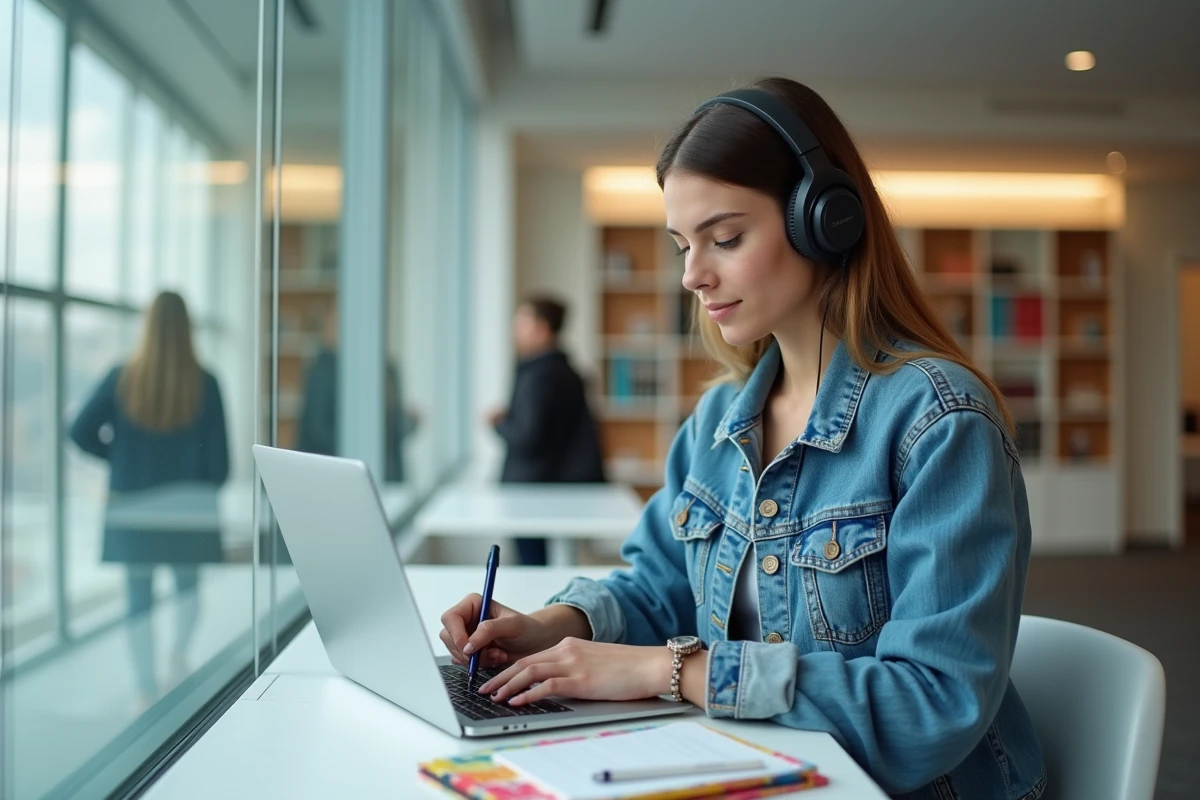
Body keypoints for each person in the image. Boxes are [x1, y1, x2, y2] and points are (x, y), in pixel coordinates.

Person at [440, 78, 1046, 799]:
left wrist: (670, 672)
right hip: (758, 765)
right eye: (682, 246)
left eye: (725, 238)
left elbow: (932, 704)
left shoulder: (940, 422)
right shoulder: (720, 419)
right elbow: (659, 586)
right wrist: (553, 625)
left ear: (825, 220)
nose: (694, 274)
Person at [69, 291, 229, 710]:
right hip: (188, 516)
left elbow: (78, 431)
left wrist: (120, 460)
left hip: (132, 513)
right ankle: (178, 658)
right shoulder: (206, 384)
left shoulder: (123, 377)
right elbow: (222, 467)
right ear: (187, 329)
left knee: (139, 603)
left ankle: (144, 689)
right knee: (187, 593)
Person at [488, 296, 606, 565]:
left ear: (541, 328)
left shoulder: (539, 375)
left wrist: (498, 423)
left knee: (532, 565)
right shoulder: (567, 370)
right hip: (553, 488)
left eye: (521, 322)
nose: (514, 330)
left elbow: (528, 438)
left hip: (532, 491)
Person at [296, 306, 417, 482]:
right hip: (335, 474)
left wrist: (409, 422)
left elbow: (394, 430)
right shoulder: (323, 370)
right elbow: (316, 430)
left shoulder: (387, 369)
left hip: (385, 475)